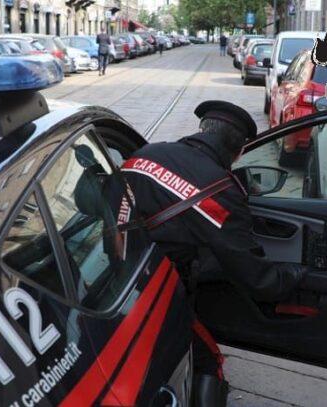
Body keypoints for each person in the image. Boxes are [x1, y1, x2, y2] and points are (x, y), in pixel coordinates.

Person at [117, 101, 309, 405]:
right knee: (208, 361)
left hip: (111, 272)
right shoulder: (220, 190)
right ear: (238, 152)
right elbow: (256, 276)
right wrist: (295, 274)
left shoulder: (145, 154)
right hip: (152, 294)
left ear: (203, 130)